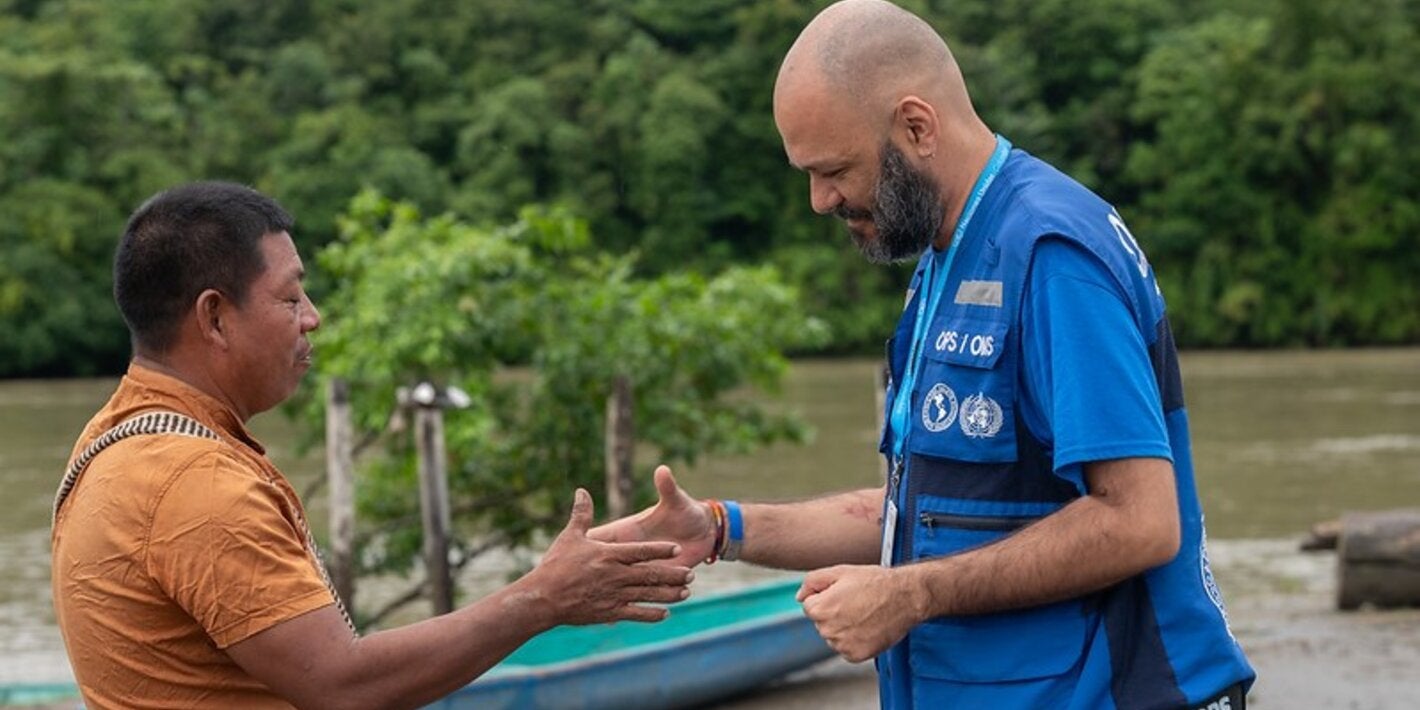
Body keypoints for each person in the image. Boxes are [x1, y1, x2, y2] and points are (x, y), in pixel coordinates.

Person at [590, 1, 1256, 708]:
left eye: (834, 169)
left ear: (916, 126)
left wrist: (910, 594)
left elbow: (1140, 522)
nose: (819, 200)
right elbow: (923, 515)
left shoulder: (1051, 255)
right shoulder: (945, 258)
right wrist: (724, 528)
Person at [51, 181, 694, 710]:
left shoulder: (116, 438)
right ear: (215, 317)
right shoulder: (195, 481)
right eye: (290, 295)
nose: (312, 316)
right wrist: (544, 598)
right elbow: (345, 684)